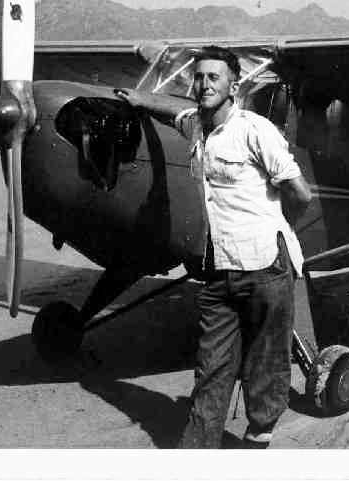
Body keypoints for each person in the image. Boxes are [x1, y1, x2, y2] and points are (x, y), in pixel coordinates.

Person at [115, 46, 312, 449]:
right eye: (199, 77)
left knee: (266, 361)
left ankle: (258, 439)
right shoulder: (197, 126)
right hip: (217, 266)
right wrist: (139, 100)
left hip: (264, 265)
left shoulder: (255, 129)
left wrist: (271, 230)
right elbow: (172, 111)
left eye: (214, 78)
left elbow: (299, 193)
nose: (204, 84)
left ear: (233, 86)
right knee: (210, 365)